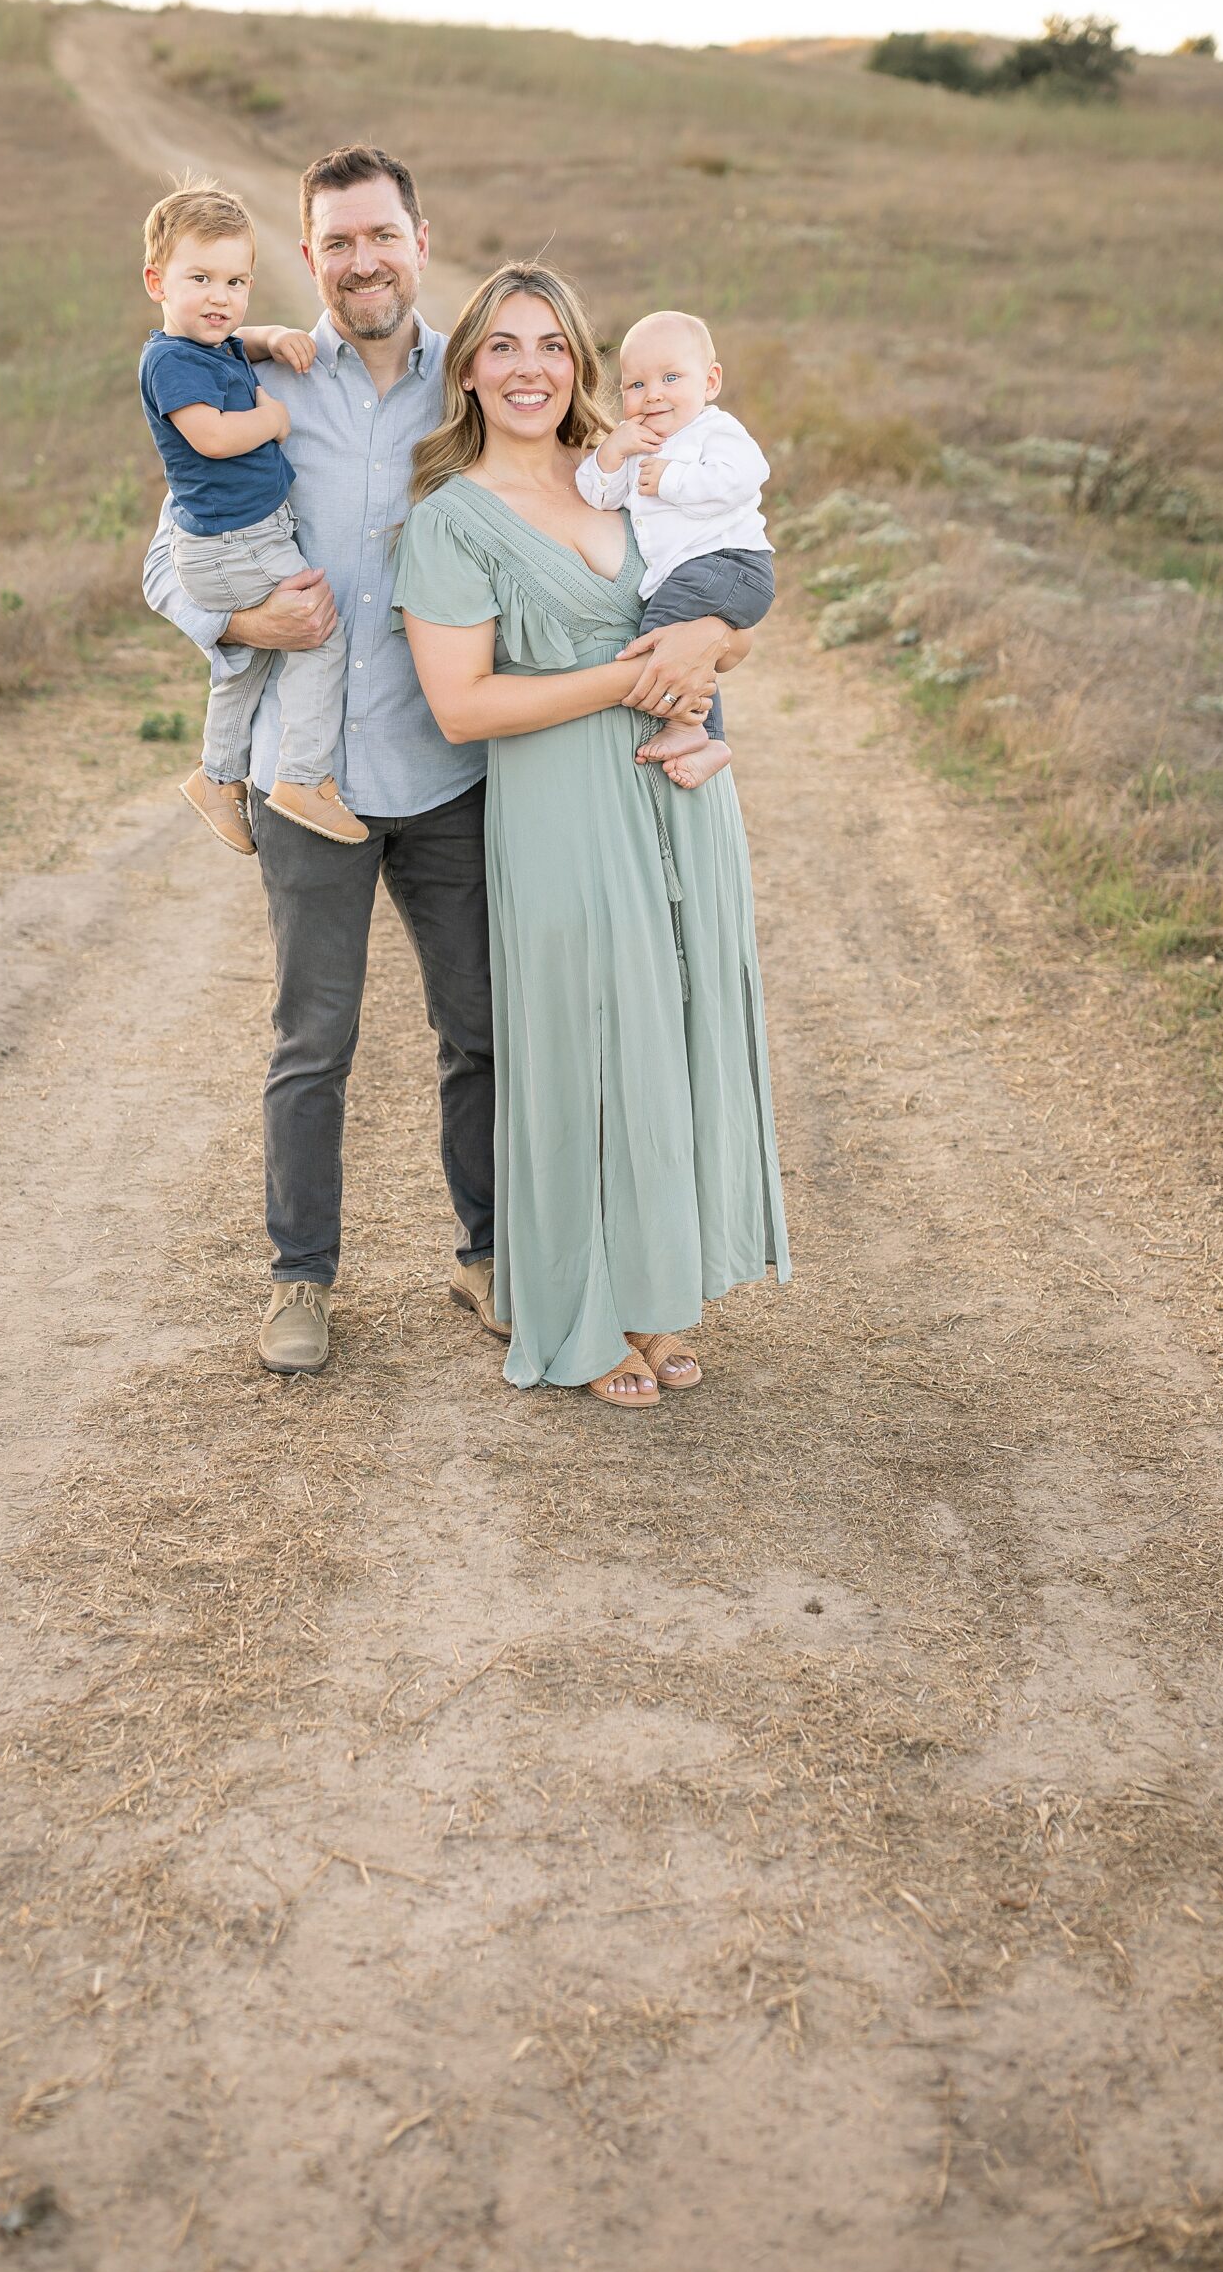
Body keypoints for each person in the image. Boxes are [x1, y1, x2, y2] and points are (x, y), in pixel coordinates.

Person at [392, 265, 790, 1409]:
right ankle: (578, 1309)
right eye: (504, 347)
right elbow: (464, 707)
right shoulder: (450, 517)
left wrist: (707, 636)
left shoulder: (625, 470)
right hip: (562, 806)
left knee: (673, 1035)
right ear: (468, 367)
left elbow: (730, 627)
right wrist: (626, 678)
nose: (530, 369)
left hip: (681, 798)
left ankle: (661, 1298)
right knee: (588, 1051)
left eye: (553, 346)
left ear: (581, 363)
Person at [141, 146, 503, 1378]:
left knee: (483, 1028)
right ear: (311, 258)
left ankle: (491, 1255)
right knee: (313, 1041)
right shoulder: (256, 374)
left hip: (447, 767)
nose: (362, 261)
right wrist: (241, 624)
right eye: (337, 242)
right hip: (312, 784)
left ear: (418, 237)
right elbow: (168, 555)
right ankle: (301, 1280)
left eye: (382, 236)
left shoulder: (475, 382)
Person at [138, 181, 364, 850]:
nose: (221, 297)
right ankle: (303, 778)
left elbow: (241, 340)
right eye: (200, 278)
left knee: (250, 661)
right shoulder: (169, 362)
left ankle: (216, 776)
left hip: (231, 545)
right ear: (157, 281)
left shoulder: (212, 346)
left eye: (236, 281)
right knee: (318, 637)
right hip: (238, 544)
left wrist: (272, 337)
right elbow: (209, 436)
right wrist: (270, 419)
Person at [575, 309, 774, 791]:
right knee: (678, 641)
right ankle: (710, 739)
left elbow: (746, 476)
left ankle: (687, 725)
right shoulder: (639, 443)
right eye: (636, 385)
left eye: (670, 378)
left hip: (732, 564)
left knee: (660, 637)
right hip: (698, 575)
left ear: (710, 381)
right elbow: (599, 496)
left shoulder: (714, 430)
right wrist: (612, 453)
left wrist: (674, 480)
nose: (653, 394)